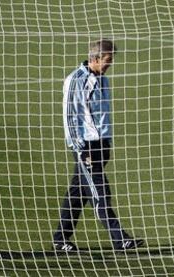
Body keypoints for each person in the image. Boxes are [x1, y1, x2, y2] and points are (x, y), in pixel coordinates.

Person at [52, 39, 144, 252]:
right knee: (100, 191)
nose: (110, 64)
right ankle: (120, 239)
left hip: (102, 145)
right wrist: (79, 147)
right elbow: (70, 116)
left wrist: (107, 141)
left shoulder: (103, 79)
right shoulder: (76, 80)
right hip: (86, 148)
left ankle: (60, 239)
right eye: (107, 60)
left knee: (77, 194)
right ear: (95, 58)